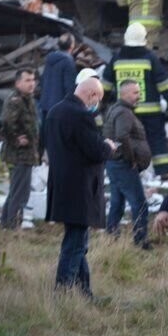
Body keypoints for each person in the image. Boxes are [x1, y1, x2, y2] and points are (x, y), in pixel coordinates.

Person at [45, 78, 117, 297]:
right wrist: (108, 146)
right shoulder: (81, 115)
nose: (97, 105)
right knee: (75, 244)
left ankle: (85, 292)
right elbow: (94, 150)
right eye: (98, 99)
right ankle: (63, 291)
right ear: (91, 95)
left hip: (62, 185)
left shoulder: (55, 111)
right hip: (80, 188)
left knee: (78, 240)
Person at [101, 23, 168, 178]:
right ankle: (164, 172)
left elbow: (106, 85)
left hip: (124, 111)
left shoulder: (117, 59)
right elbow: (163, 83)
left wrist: (102, 104)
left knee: (124, 141)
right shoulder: (150, 58)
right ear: (143, 39)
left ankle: (127, 170)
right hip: (150, 111)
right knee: (156, 140)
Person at [103, 79, 153, 250]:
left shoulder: (116, 109)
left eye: (138, 92)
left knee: (117, 202)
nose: (138, 96)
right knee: (139, 203)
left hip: (114, 163)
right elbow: (122, 136)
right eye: (135, 93)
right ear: (123, 94)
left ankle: (111, 237)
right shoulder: (124, 113)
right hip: (122, 164)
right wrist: (131, 159)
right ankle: (141, 241)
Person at [0, 68, 39, 230]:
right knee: (19, 193)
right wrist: (16, 139)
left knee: (17, 191)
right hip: (18, 154)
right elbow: (7, 122)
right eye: (27, 80)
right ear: (18, 83)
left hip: (27, 153)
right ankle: (12, 226)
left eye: (33, 80)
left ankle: (8, 224)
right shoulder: (15, 100)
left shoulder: (27, 99)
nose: (32, 84)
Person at [39, 33, 76, 153]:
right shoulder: (68, 62)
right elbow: (69, 88)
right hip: (59, 107)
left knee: (46, 137)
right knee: (59, 143)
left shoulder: (50, 60)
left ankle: (42, 158)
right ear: (72, 46)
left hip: (45, 104)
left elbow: (43, 80)